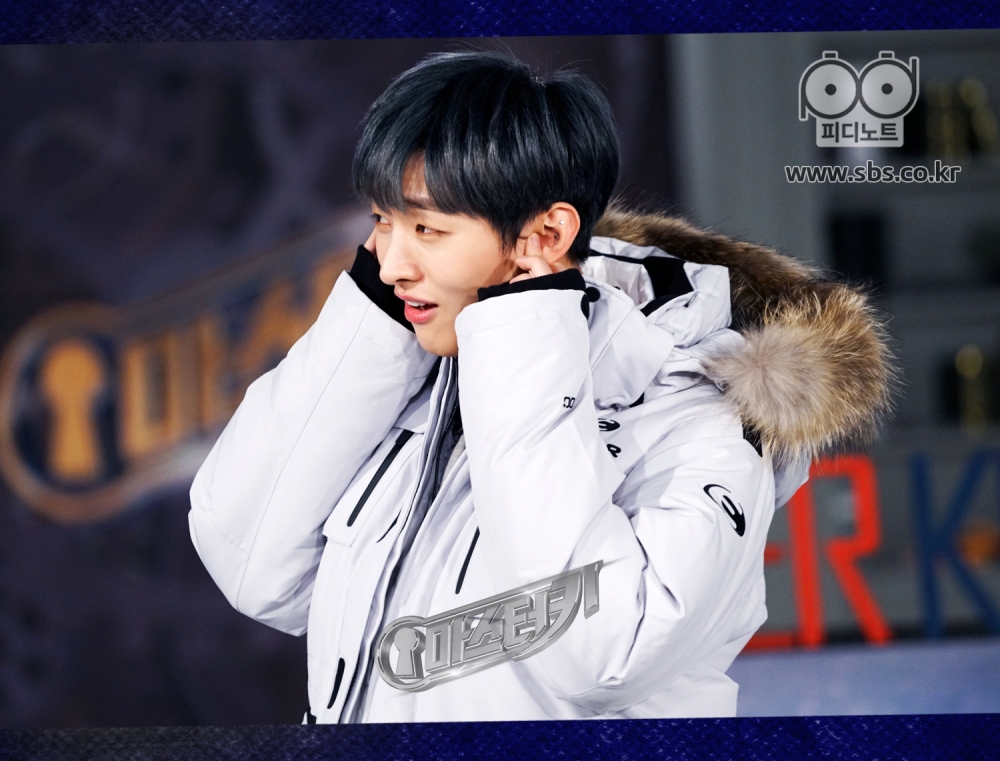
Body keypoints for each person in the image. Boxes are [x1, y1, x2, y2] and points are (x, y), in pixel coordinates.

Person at [188, 50, 893, 723]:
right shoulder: (422, 380)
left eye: (426, 228)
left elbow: (600, 656)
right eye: (382, 221)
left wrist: (523, 331)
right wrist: (370, 327)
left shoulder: (698, 422)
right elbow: (253, 567)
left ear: (547, 234)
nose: (390, 263)